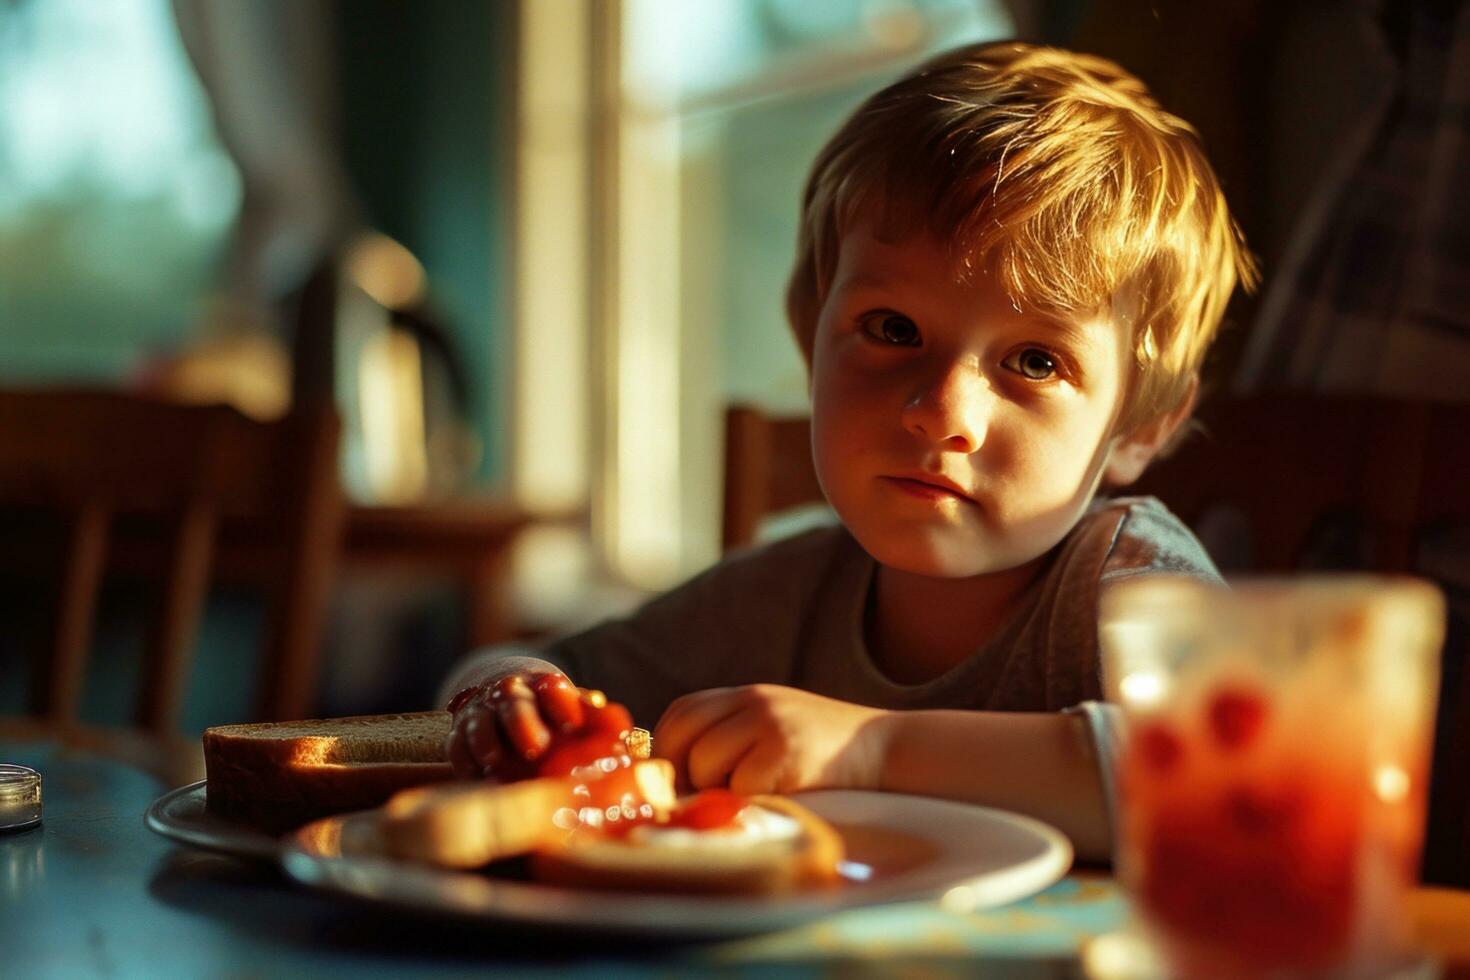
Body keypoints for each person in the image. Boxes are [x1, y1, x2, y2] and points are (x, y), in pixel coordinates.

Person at [438, 40, 1256, 861]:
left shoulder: (1127, 582)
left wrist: (873, 749)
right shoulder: (782, 594)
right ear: (811, 340)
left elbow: (1238, 779)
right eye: (893, 330)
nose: (940, 412)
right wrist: (510, 699)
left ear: (1139, 428)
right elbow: (541, 666)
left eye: (1035, 361)